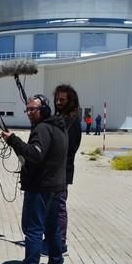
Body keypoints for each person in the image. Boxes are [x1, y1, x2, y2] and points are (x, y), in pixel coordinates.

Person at [0, 94, 68, 264]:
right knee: (52, 227)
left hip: (41, 188)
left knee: (33, 229)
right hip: (57, 187)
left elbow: (36, 155)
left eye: (33, 109)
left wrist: (14, 140)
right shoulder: (59, 127)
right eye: (27, 109)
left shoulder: (42, 129)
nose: (29, 113)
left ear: (44, 110)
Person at [52, 85, 82, 254]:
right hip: (53, 171)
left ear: (70, 101)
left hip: (63, 171)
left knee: (59, 208)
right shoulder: (58, 117)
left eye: (62, 100)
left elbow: (70, 147)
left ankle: (60, 243)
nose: (58, 102)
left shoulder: (73, 122)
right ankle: (53, 239)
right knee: (51, 207)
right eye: (57, 99)